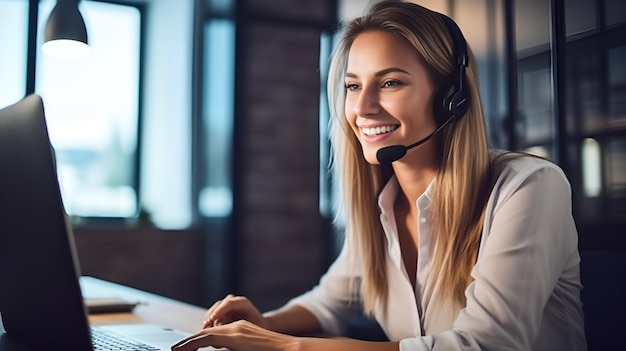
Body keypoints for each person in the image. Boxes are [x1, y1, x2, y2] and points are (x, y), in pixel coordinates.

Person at [172, 1, 587, 350]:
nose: (364, 107)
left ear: (451, 99)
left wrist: (286, 346)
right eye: (353, 86)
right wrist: (265, 322)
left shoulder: (527, 186)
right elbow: (330, 303)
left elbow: (486, 343)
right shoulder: (382, 202)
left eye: (389, 82)